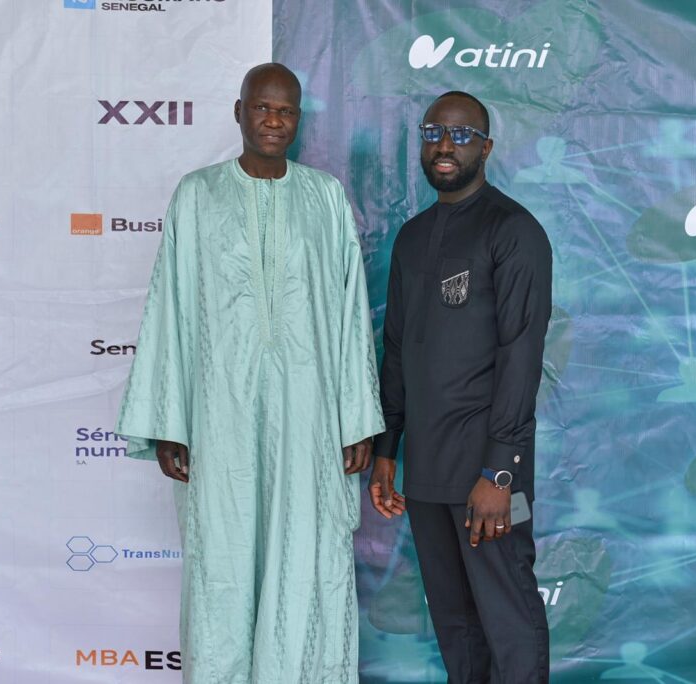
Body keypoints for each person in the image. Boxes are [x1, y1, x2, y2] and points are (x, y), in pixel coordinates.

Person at [116, 63, 384, 683]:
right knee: (225, 554)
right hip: (221, 414)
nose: (273, 120)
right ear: (239, 112)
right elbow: (172, 306)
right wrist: (170, 421)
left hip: (309, 416)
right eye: (262, 108)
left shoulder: (324, 197)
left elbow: (349, 313)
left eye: (285, 111)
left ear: (298, 121)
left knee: (305, 551)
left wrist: (356, 418)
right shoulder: (197, 195)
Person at [370, 91, 553, 683]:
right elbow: (397, 348)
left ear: (486, 147)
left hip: (486, 470)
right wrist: (386, 450)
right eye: (433, 134)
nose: (445, 146)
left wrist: (499, 472)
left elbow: (520, 355)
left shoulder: (513, 231)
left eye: (461, 135)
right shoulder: (412, 237)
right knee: (455, 624)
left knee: (507, 614)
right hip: (426, 469)